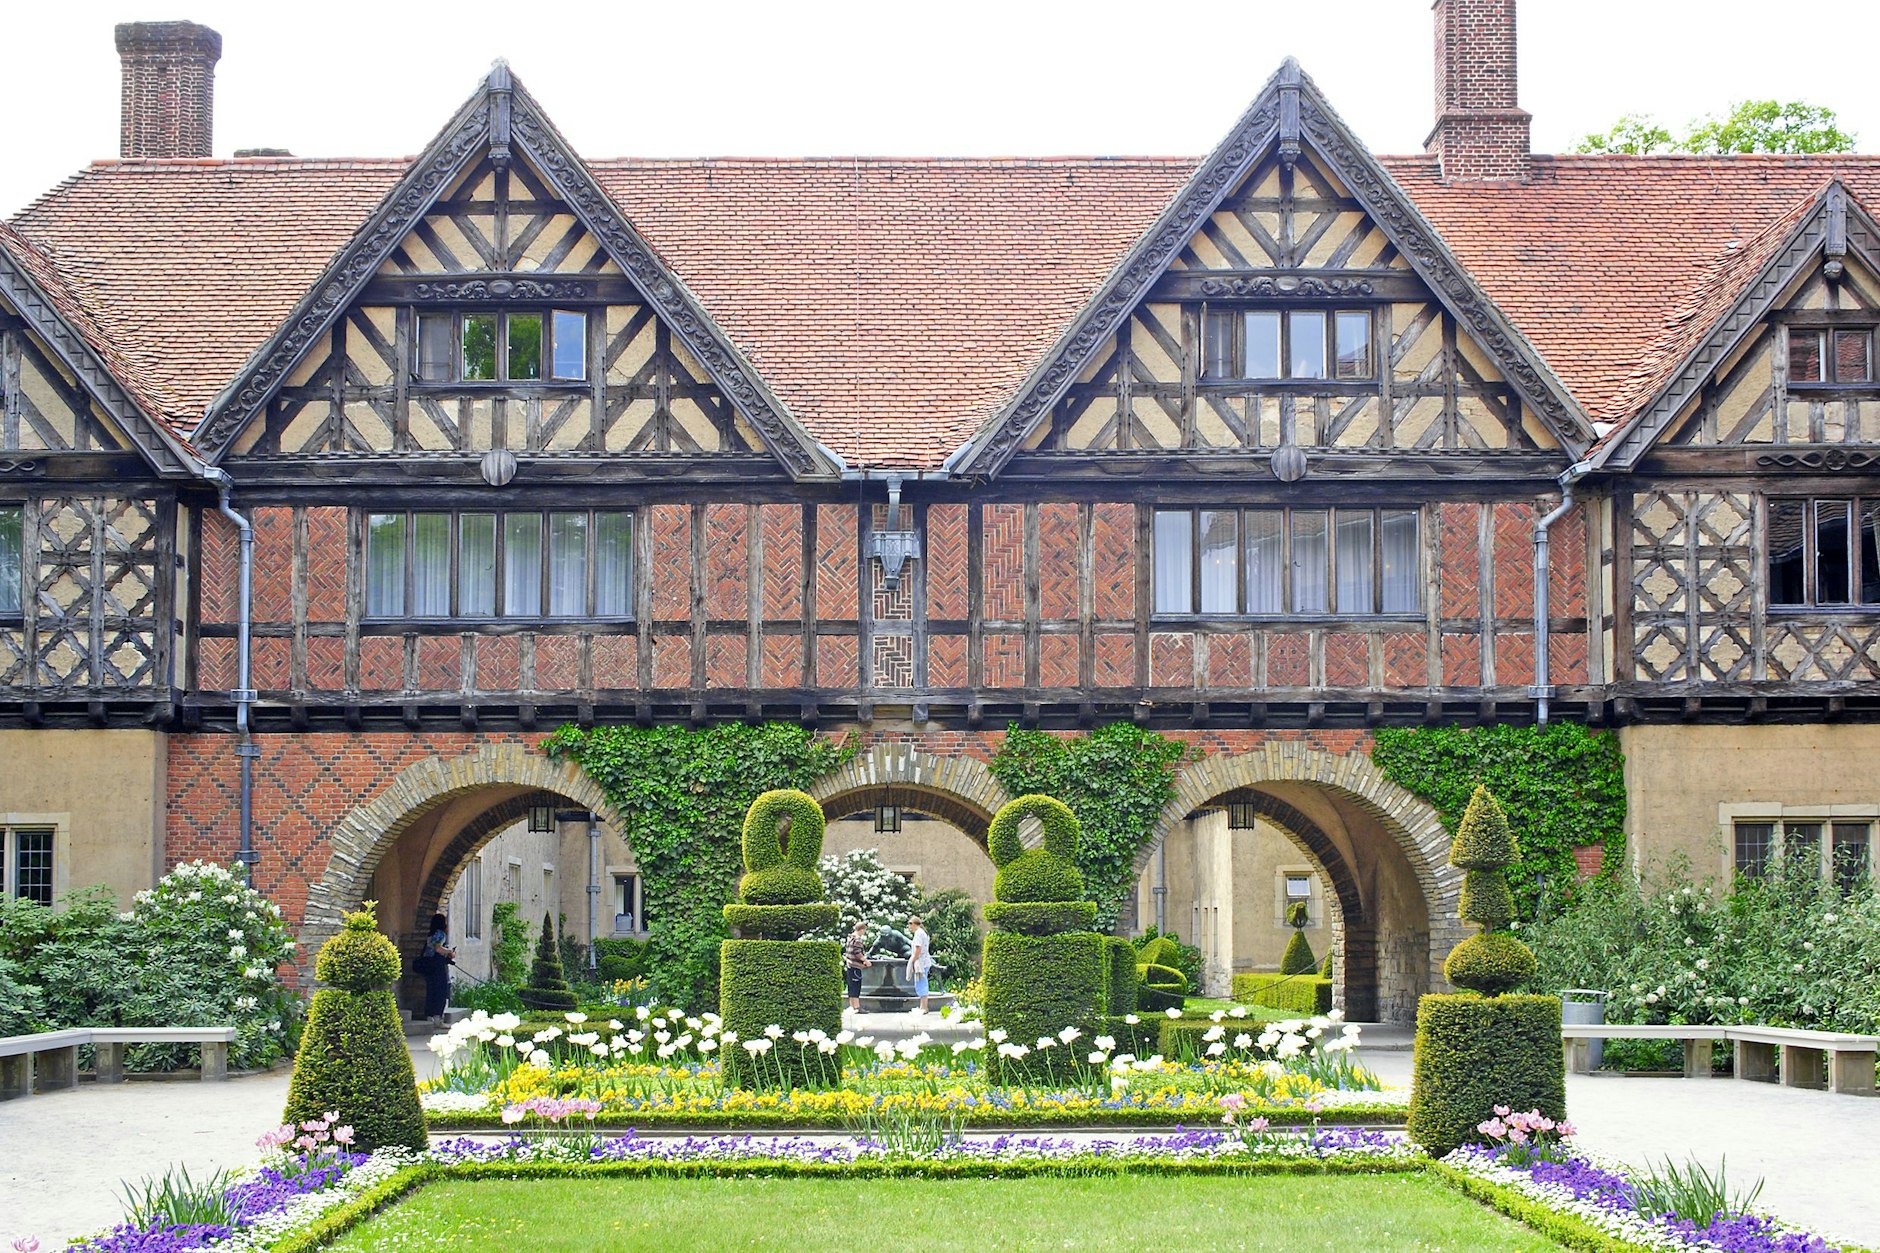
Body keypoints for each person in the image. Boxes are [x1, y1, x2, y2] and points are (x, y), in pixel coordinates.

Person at [420, 912, 455, 1025]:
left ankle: (429, 1016)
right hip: (437, 964)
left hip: (428, 964)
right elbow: (438, 949)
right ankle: (437, 1017)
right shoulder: (440, 934)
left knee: (431, 990)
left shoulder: (431, 934)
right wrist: (450, 952)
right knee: (441, 989)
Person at [843, 918, 872, 1012]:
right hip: (856, 966)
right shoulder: (857, 939)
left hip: (849, 965)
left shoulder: (850, 938)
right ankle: (857, 1007)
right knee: (856, 986)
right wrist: (866, 961)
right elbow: (857, 952)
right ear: (862, 930)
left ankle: (852, 1006)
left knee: (851, 986)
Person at [905, 914, 932, 1015]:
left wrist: (913, 960)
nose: (909, 927)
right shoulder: (922, 932)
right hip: (924, 961)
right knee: (921, 982)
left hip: (921, 962)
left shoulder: (918, 933)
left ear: (913, 924)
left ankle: (924, 1007)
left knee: (921, 983)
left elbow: (918, 948)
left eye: (910, 924)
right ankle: (922, 1005)